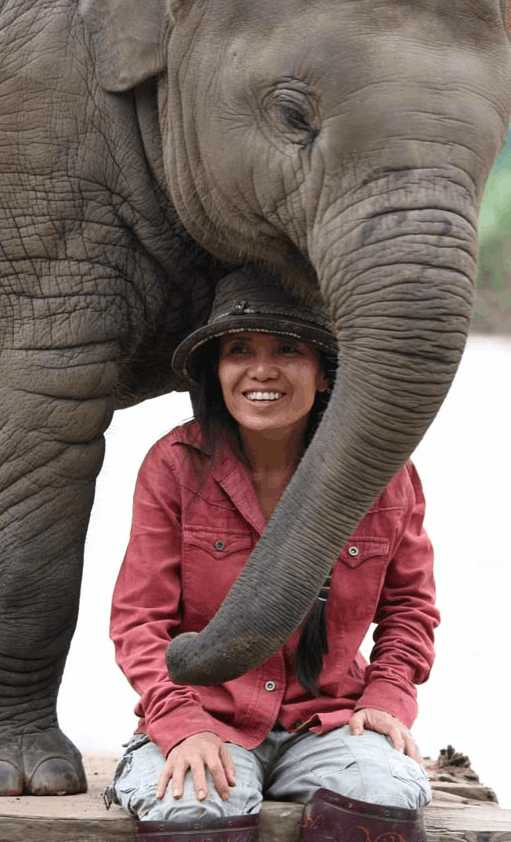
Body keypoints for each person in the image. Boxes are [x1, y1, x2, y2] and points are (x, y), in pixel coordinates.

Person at [106, 266, 440, 842]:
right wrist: (181, 724)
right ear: (218, 370)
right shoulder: (174, 466)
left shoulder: (384, 475)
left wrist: (387, 698)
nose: (261, 370)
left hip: (332, 723)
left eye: (287, 349)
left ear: (324, 374)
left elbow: (411, 609)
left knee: (380, 798)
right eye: (240, 350)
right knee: (192, 811)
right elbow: (140, 622)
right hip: (206, 717)